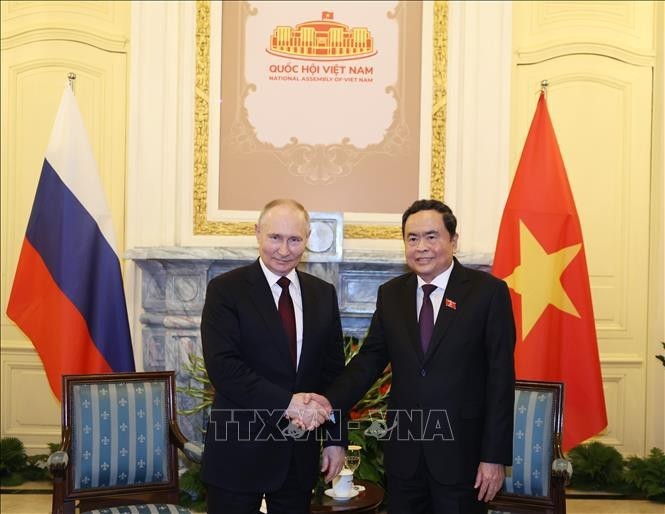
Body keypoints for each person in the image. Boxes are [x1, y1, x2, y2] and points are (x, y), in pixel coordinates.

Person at [315, 199, 516, 514]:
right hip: (404, 454)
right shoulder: (392, 294)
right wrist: (327, 403)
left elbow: (501, 379)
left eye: (432, 236)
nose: (421, 246)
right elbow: (369, 361)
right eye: (412, 238)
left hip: (462, 455)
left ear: (453, 240)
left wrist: (493, 457)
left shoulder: (488, 293)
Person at [200, 199, 347, 514]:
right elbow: (223, 367)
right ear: (257, 234)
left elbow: (334, 374)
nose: (284, 249)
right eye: (275, 238)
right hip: (238, 453)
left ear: (307, 239)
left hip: (297, 456)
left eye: (294, 239)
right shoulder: (226, 290)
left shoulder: (322, 294)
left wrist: (335, 438)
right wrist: (289, 403)